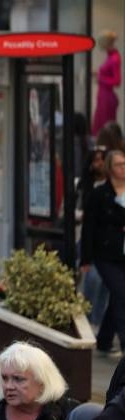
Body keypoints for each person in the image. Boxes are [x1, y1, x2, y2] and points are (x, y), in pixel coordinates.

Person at [81, 147, 125, 356]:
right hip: (106, 253)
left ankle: (105, 340)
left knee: (118, 295)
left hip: (123, 252)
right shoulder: (100, 194)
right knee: (121, 293)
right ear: (109, 168)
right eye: (118, 164)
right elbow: (88, 226)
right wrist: (86, 258)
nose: (123, 168)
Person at [92, 30, 121, 136]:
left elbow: (117, 81)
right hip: (103, 96)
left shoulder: (114, 58)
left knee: (104, 129)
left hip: (107, 98)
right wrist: (99, 73)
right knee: (100, 128)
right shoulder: (110, 57)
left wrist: (100, 78)